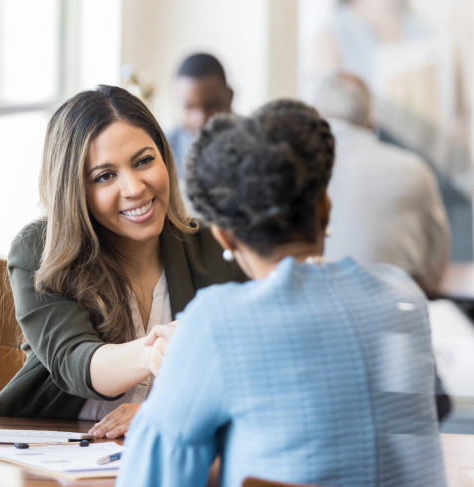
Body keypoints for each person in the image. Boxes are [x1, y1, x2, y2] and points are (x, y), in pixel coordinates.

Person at [117, 100, 446, 487]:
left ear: (223, 234)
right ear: (326, 208)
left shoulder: (218, 323)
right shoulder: (401, 296)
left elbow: (152, 479)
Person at [0, 85, 245, 439]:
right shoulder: (39, 250)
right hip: (57, 462)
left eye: (144, 160)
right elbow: (74, 360)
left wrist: (167, 410)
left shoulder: (217, 247)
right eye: (105, 176)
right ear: (75, 190)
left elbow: (254, 372)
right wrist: (153, 353)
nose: (134, 187)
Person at [307, 72, 450, 291]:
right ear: (370, 118)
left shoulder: (297, 168)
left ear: (316, 114)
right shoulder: (413, 169)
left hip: (313, 300)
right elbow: (436, 262)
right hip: (398, 309)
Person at [167, 53, 234, 178]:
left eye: (211, 105)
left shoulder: (255, 144)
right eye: (189, 107)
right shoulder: (165, 149)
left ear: (230, 97)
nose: (201, 119)